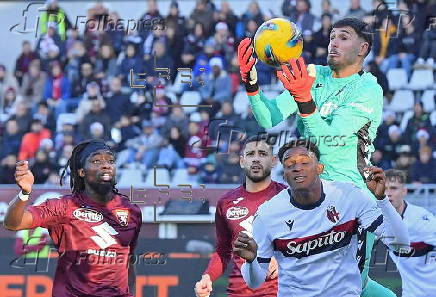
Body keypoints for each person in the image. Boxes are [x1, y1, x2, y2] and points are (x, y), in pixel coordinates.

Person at [238, 17, 392, 296]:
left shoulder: (369, 90)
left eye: (344, 37)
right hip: (306, 195)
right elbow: (268, 118)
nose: (334, 42)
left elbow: (328, 143)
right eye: (332, 36)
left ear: (362, 48)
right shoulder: (311, 74)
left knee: (350, 285)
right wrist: (251, 84)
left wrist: (304, 100)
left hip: (351, 198)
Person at [233, 140, 409, 297]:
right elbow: (254, 282)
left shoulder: (349, 196)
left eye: (304, 161)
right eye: (289, 164)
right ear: (284, 174)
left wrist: (382, 200)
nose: (297, 167)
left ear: (320, 168)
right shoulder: (267, 214)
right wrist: (250, 261)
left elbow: (400, 244)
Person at [3, 139, 142, 297]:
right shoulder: (64, 207)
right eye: (96, 160)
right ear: (81, 172)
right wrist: (24, 193)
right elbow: (13, 223)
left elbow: (128, 260)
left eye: (110, 160)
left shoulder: (131, 211)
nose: (106, 165)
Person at [194, 136, 287, 297]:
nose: (256, 159)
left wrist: (283, 258)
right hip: (238, 292)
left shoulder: (288, 197)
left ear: (273, 161)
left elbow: (306, 242)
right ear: (242, 161)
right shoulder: (226, 202)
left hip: (280, 291)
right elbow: (223, 250)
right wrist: (207, 277)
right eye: (251, 154)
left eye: (262, 154)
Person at [385, 169, 436, 297]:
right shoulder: (377, 219)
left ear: (404, 191)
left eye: (393, 188)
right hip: (410, 293)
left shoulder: (421, 218)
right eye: (384, 188)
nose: (388, 193)